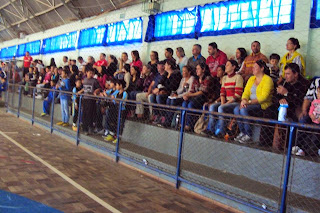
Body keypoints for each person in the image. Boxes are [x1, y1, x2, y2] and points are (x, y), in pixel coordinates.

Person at [234, 60, 273, 143]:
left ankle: (249, 135)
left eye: (255, 67)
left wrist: (249, 102)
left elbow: (264, 97)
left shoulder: (267, 80)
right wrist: (243, 100)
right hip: (249, 103)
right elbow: (246, 92)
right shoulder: (251, 79)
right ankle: (243, 132)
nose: (253, 69)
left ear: (262, 68)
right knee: (236, 109)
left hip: (261, 105)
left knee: (244, 109)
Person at [206, 60, 243, 137]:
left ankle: (221, 132)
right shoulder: (225, 78)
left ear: (233, 67)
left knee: (221, 108)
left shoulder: (238, 77)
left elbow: (237, 95)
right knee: (213, 106)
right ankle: (210, 129)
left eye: (228, 65)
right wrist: (223, 103)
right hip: (226, 101)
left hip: (235, 102)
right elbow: (222, 92)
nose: (226, 67)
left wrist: (225, 104)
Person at [182, 63, 213, 130]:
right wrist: (187, 95)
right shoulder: (196, 79)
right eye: (196, 69)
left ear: (203, 69)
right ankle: (183, 123)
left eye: (198, 69)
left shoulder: (208, 78)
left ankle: (189, 125)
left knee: (191, 104)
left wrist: (190, 95)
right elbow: (192, 90)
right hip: (195, 98)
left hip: (204, 98)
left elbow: (202, 91)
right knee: (184, 103)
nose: (196, 70)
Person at [152, 60, 181, 125]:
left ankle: (164, 116)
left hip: (170, 93)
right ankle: (158, 115)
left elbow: (172, 86)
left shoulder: (175, 75)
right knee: (152, 97)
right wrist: (158, 89)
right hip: (163, 91)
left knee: (159, 97)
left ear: (169, 66)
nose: (164, 66)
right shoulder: (166, 74)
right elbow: (160, 83)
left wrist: (161, 89)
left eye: (166, 65)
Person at [78, 66, 101, 135]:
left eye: (92, 73)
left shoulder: (94, 81)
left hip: (91, 99)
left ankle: (90, 127)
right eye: (89, 73)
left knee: (90, 114)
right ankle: (85, 128)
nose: (91, 74)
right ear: (86, 73)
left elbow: (99, 88)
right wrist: (80, 91)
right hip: (85, 99)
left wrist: (96, 91)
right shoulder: (84, 80)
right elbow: (84, 88)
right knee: (84, 113)